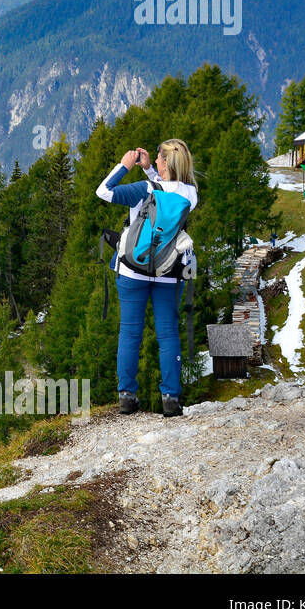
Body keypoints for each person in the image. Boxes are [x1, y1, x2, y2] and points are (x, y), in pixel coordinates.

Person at [96, 139, 197, 418]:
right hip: (167, 271)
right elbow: (165, 193)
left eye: (158, 159)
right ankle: (171, 400)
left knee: (130, 331)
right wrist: (151, 170)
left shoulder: (143, 190)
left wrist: (125, 166)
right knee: (167, 333)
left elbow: (103, 192)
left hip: (131, 269)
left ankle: (127, 397)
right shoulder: (190, 194)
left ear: (164, 163)